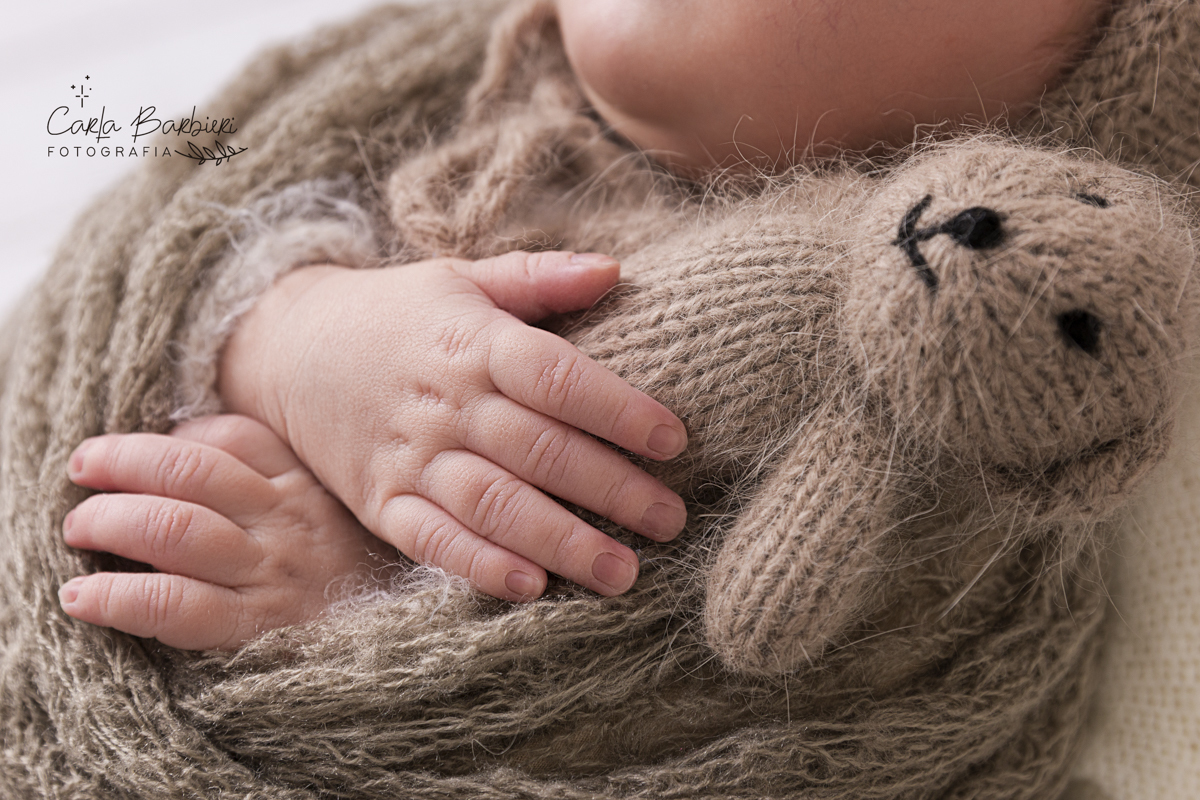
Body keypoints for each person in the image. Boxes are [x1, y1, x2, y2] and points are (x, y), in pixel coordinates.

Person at [56, 0, 1110, 650]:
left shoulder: (943, 394)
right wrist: (296, 333)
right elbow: (166, 251)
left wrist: (368, 593)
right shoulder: (439, 81)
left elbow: (726, 718)